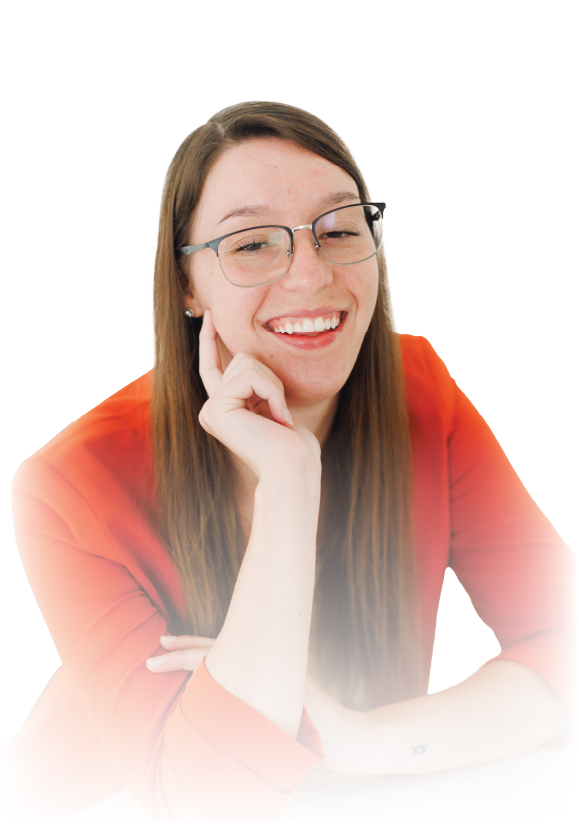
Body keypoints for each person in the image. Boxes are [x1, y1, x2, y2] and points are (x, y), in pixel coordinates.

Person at [5, 101, 576, 822]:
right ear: (186, 285)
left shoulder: (421, 391)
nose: (311, 275)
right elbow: (210, 804)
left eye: (339, 230)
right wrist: (289, 480)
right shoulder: (69, 483)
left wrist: (364, 739)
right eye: (251, 244)